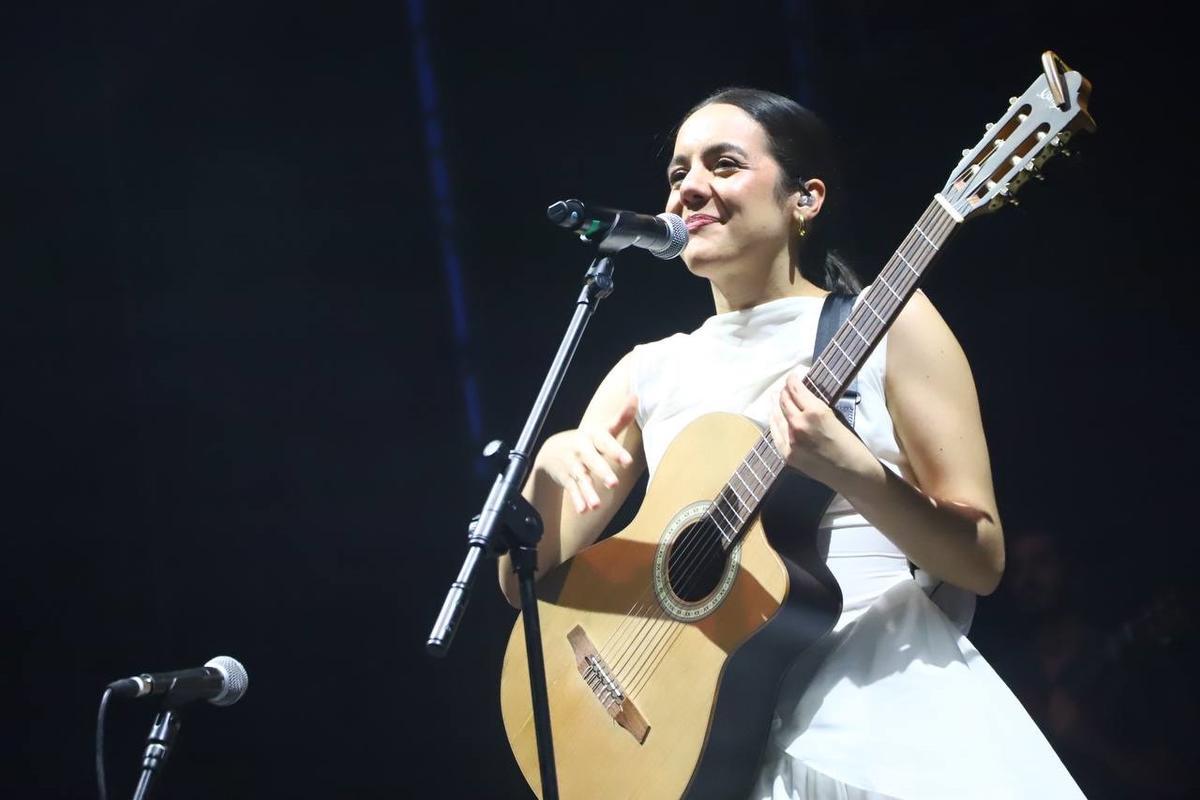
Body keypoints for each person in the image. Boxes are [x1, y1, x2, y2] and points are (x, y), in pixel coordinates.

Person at [498, 87, 1086, 799]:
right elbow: (524, 586)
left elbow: (982, 560)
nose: (690, 188)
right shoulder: (646, 371)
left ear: (803, 199)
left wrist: (856, 472)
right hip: (697, 737)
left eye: (722, 164)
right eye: (678, 172)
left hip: (881, 712)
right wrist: (547, 476)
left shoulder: (889, 322)